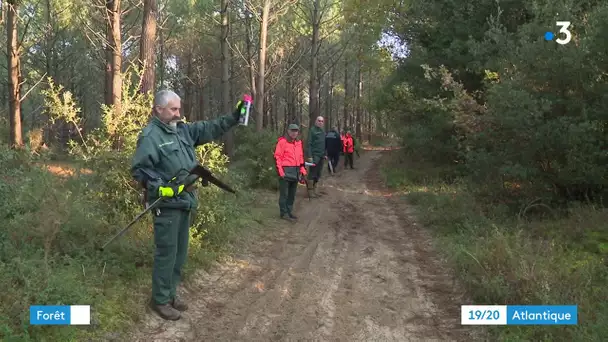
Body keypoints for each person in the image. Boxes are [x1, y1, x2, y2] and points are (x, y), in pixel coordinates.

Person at [131, 89, 245, 321]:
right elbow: (140, 170)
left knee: (180, 254)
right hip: (167, 205)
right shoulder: (150, 136)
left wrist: (235, 116)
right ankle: (160, 300)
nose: (178, 113)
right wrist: (161, 187)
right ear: (158, 109)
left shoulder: (182, 130)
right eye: (173, 109)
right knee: (167, 253)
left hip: (186, 201)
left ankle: (171, 294)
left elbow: (210, 128)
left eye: (179, 109)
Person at [274, 124, 307, 221]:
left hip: (296, 171)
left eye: (296, 131)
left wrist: (302, 170)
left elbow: (301, 158)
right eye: (292, 130)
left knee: (292, 194)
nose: (294, 133)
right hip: (285, 171)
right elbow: (277, 157)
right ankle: (283, 213)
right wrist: (281, 171)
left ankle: (289, 211)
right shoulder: (282, 142)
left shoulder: (298, 143)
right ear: (288, 131)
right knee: (284, 194)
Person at [306, 116, 326, 198]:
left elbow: (323, 143)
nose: (320, 122)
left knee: (318, 173)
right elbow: (309, 144)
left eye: (322, 121)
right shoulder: (312, 130)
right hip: (315, 156)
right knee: (312, 173)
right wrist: (310, 156)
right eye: (319, 120)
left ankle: (315, 190)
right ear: (315, 121)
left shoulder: (322, 131)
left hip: (321, 156)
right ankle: (310, 192)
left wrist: (325, 154)